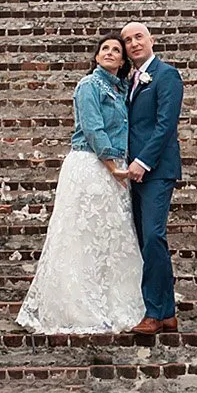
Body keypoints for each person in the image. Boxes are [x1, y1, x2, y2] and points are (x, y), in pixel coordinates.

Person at [15, 32, 147, 334]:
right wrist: (112, 166)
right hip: (91, 164)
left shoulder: (121, 88)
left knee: (109, 236)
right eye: (105, 49)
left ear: (124, 59)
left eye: (117, 49)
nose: (111, 53)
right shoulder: (89, 85)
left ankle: (111, 299)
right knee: (82, 235)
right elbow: (92, 128)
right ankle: (78, 306)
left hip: (115, 168)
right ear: (97, 56)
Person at [120, 20, 184, 333]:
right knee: (146, 239)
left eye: (138, 37)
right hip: (133, 172)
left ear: (151, 39)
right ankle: (168, 311)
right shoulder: (130, 80)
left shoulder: (166, 75)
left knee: (154, 237)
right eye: (127, 40)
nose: (133, 43)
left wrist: (143, 162)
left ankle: (154, 314)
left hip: (156, 170)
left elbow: (165, 125)